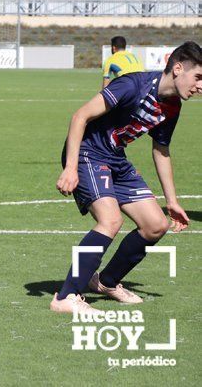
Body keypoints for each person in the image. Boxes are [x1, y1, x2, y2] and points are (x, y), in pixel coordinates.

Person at [51, 41, 199, 315]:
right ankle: (66, 296)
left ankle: (106, 282)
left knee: (156, 225)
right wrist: (71, 168)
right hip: (87, 152)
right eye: (198, 77)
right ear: (178, 68)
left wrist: (172, 201)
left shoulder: (173, 106)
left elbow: (161, 149)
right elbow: (80, 116)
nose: (200, 86)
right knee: (110, 220)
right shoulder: (132, 85)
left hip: (115, 158)